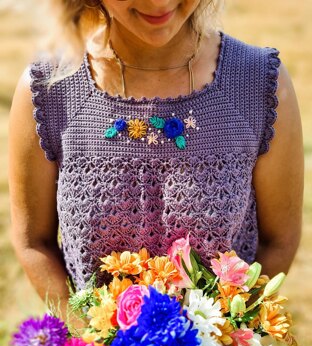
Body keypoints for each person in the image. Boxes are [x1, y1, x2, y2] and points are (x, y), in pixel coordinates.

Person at [8, 0, 303, 322]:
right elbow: (33, 242)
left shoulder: (259, 82)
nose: (159, 2)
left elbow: (279, 241)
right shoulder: (49, 89)